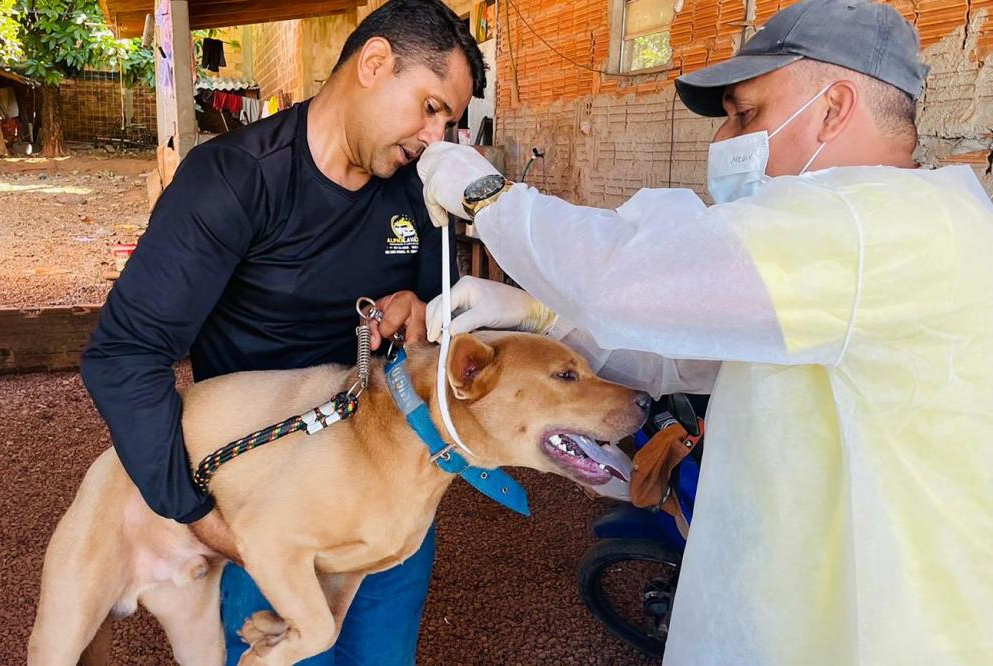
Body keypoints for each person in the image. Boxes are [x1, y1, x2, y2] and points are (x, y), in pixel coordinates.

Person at [415, 0, 993, 664]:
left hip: (879, 630)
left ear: (833, 109)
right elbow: (696, 354)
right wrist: (547, 317)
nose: (724, 143)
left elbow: (627, 273)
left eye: (747, 114)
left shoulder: (877, 227)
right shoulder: (908, 230)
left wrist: (488, 198)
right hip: (821, 604)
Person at [80, 1, 481, 663]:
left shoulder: (419, 191)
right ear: (374, 64)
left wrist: (426, 314)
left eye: (451, 120)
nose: (437, 137)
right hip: (268, 500)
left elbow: (448, 353)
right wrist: (200, 516)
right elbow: (124, 355)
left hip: (387, 495)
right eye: (431, 107)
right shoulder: (236, 180)